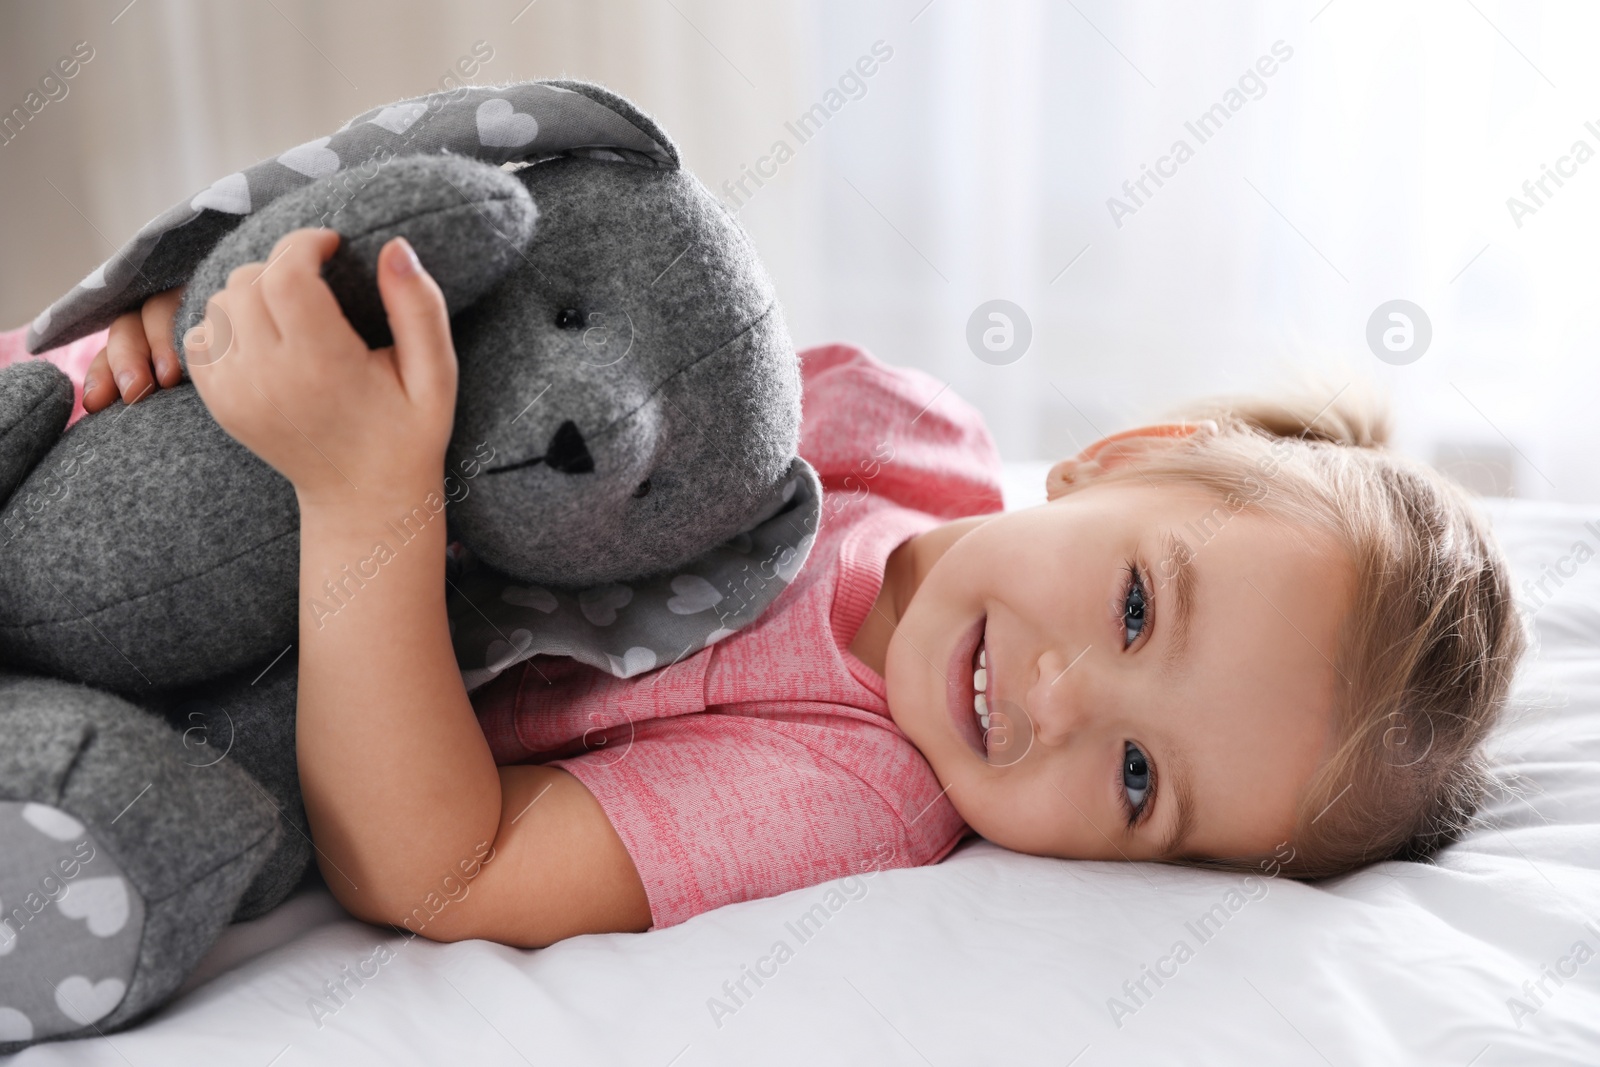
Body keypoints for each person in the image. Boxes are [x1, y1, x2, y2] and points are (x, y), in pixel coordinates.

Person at [62, 227, 1525, 944]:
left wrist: (356, 489)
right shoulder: (897, 424)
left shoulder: (853, 788)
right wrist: (239, 312)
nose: (1063, 699)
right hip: (157, 461)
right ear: (1116, 459)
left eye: (1141, 782)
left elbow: (443, 869)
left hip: (196, 665)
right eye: (1139, 607)